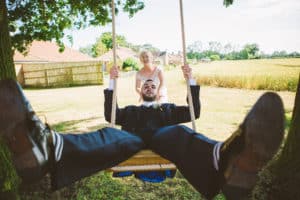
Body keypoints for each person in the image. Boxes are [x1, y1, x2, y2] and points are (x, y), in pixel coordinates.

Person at [0, 65, 284, 199]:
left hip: (166, 138)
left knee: (178, 134)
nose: (149, 86)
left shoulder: (169, 109)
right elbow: (109, 114)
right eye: (145, 85)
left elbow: (194, 112)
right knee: (111, 135)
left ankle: (227, 160)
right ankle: (49, 149)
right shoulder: (130, 113)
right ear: (139, 90)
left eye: (152, 85)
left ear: (157, 89)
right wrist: (110, 83)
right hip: (131, 140)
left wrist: (191, 80)